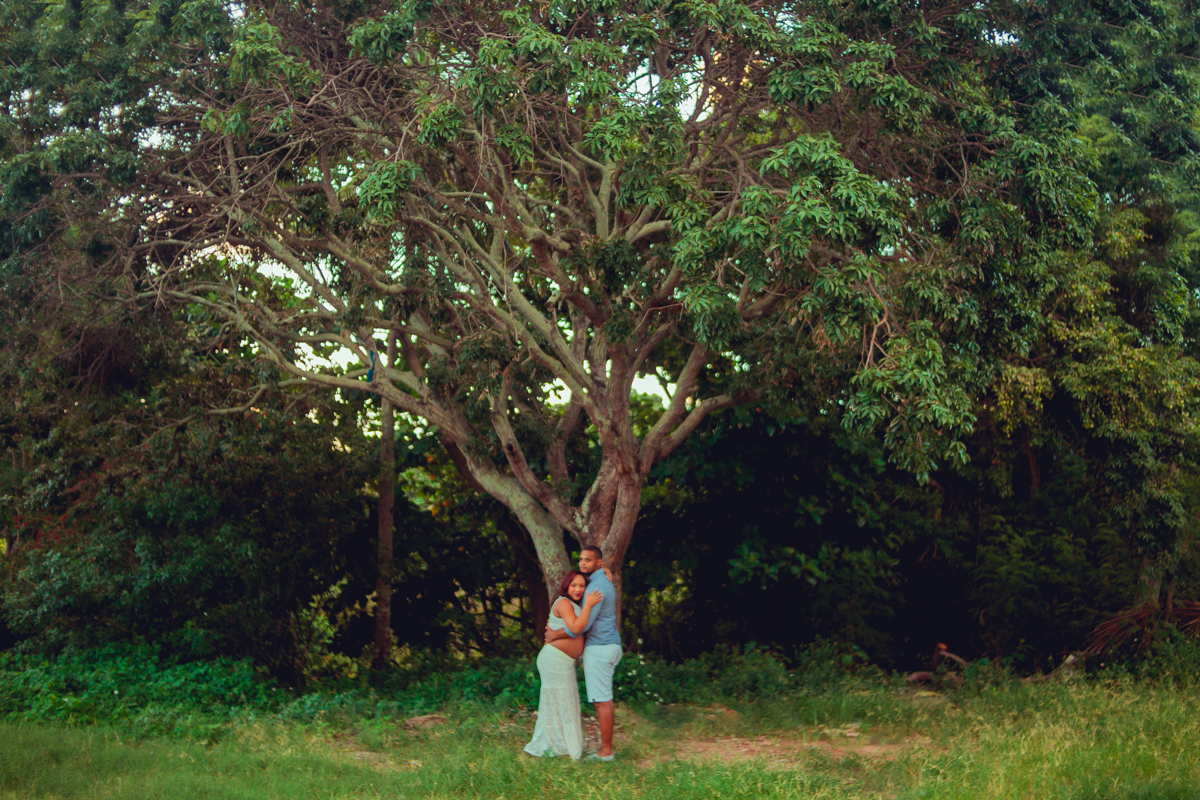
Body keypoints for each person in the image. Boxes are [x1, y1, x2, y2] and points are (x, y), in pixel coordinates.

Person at [545, 545, 621, 761]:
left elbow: (583, 625)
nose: (582, 563)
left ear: (599, 563)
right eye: (581, 560)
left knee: (601, 700)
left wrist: (555, 634)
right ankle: (606, 749)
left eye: (588, 560)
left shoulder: (595, 588)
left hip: (600, 648)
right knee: (605, 698)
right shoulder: (602, 582)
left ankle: (606, 752)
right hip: (609, 645)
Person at [523, 570, 602, 760]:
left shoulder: (575, 605)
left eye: (582, 586)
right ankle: (563, 747)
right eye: (574, 585)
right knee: (563, 701)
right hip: (554, 659)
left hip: (562, 660)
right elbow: (575, 628)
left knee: (564, 701)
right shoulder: (564, 602)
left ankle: (561, 745)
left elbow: (576, 628)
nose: (577, 589)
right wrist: (589, 605)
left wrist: (556, 633)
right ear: (566, 585)